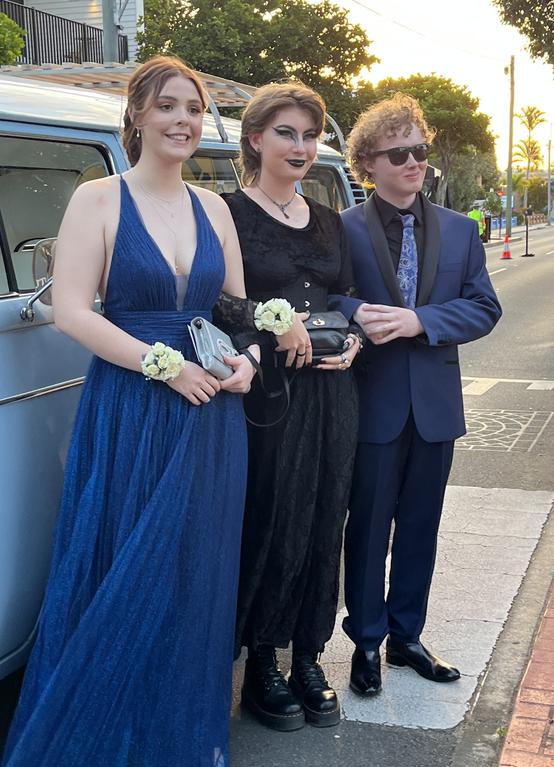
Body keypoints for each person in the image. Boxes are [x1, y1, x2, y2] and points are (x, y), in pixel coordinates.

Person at [0, 56, 257, 767]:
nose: (182, 119)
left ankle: (171, 737)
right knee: (124, 560)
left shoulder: (214, 208)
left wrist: (247, 359)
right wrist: (162, 364)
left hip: (211, 412)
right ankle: (100, 741)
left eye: (193, 107)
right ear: (138, 116)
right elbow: (75, 310)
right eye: (168, 106)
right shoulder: (97, 197)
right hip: (135, 405)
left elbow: (236, 309)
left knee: (192, 571)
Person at [333, 94, 502, 697]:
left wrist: (420, 321)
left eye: (420, 151)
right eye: (398, 153)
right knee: (368, 526)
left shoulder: (460, 229)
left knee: (421, 528)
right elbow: (326, 297)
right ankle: (367, 641)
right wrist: (358, 311)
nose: (413, 163)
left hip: (435, 408)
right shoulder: (342, 227)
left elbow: (485, 307)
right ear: (367, 163)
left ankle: (407, 637)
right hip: (371, 402)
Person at [220, 82, 361, 732]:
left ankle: (309, 653)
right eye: (287, 132)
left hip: (333, 391)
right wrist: (272, 320)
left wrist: (353, 340)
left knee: (326, 515)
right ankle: (263, 661)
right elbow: (217, 299)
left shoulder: (330, 219)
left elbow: (348, 296)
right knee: (271, 516)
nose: (301, 146)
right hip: (268, 393)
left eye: (309, 135)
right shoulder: (228, 213)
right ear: (255, 137)